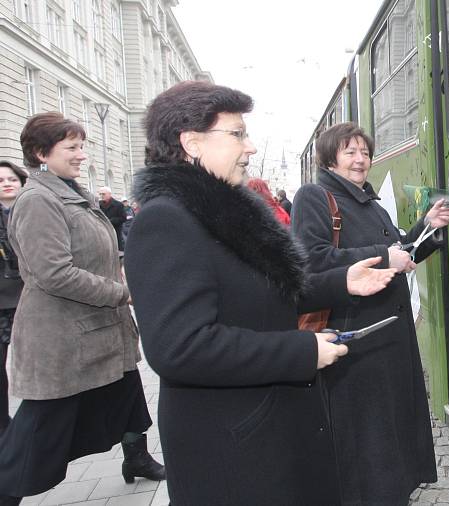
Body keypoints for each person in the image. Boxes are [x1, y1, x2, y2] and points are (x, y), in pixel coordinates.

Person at [124, 81, 397, 505]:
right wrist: (302, 352)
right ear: (192, 142)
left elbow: (266, 291)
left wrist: (341, 283)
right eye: (237, 134)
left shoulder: (226, 212)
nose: (249, 147)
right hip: (233, 445)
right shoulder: (166, 222)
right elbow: (180, 348)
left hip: (268, 424)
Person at [0, 112, 164, 506]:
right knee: (39, 435)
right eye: (71, 148)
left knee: (128, 399)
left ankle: (136, 458)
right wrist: (122, 293)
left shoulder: (68, 191)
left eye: (81, 146)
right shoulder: (39, 200)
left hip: (96, 331)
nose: (81, 155)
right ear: (41, 153)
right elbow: (54, 273)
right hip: (62, 342)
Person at [292, 121, 449, 504]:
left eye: (364, 152)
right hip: (357, 340)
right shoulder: (314, 197)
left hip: (388, 337)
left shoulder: (368, 202)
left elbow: (400, 252)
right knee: (367, 439)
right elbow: (311, 261)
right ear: (330, 158)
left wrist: (426, 228)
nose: (360, 159)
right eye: (350, 152)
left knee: (391, 429)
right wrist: (384, 256)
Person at [0, 161, 25, 435]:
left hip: (30, 297)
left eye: (12, 179)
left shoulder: (32, 210)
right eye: (1, 180)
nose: (7, 183)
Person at [98, 186, 127, 251]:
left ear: (109, 194)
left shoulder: (118, 205)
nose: (101, 196)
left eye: (103, 194)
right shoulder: (98, 205)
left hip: (115, 231)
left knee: (117, 250)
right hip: (103, 232)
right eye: (100, 194)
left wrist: (111, 221)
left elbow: (123, 218)